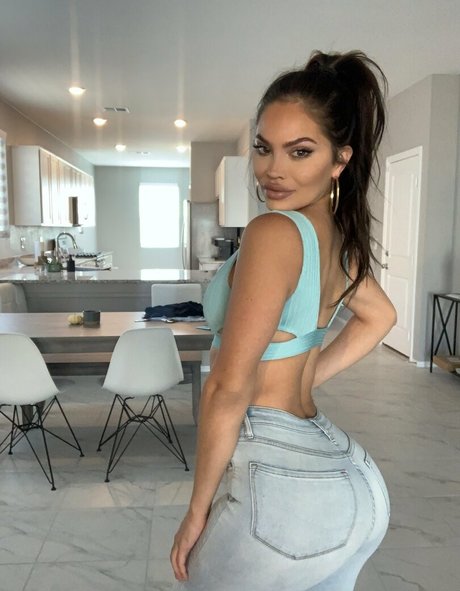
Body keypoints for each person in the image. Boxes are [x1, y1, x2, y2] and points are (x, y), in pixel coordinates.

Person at [170, 50, 396, 591]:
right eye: (263, 148)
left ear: (339, 160)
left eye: (300, 152)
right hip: (348, 475)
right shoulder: (336, 238)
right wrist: (303, 376)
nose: (273, 169)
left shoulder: (274, 233)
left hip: (281, 478)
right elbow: (381, 317)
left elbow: (227, 387)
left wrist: (197, 511)